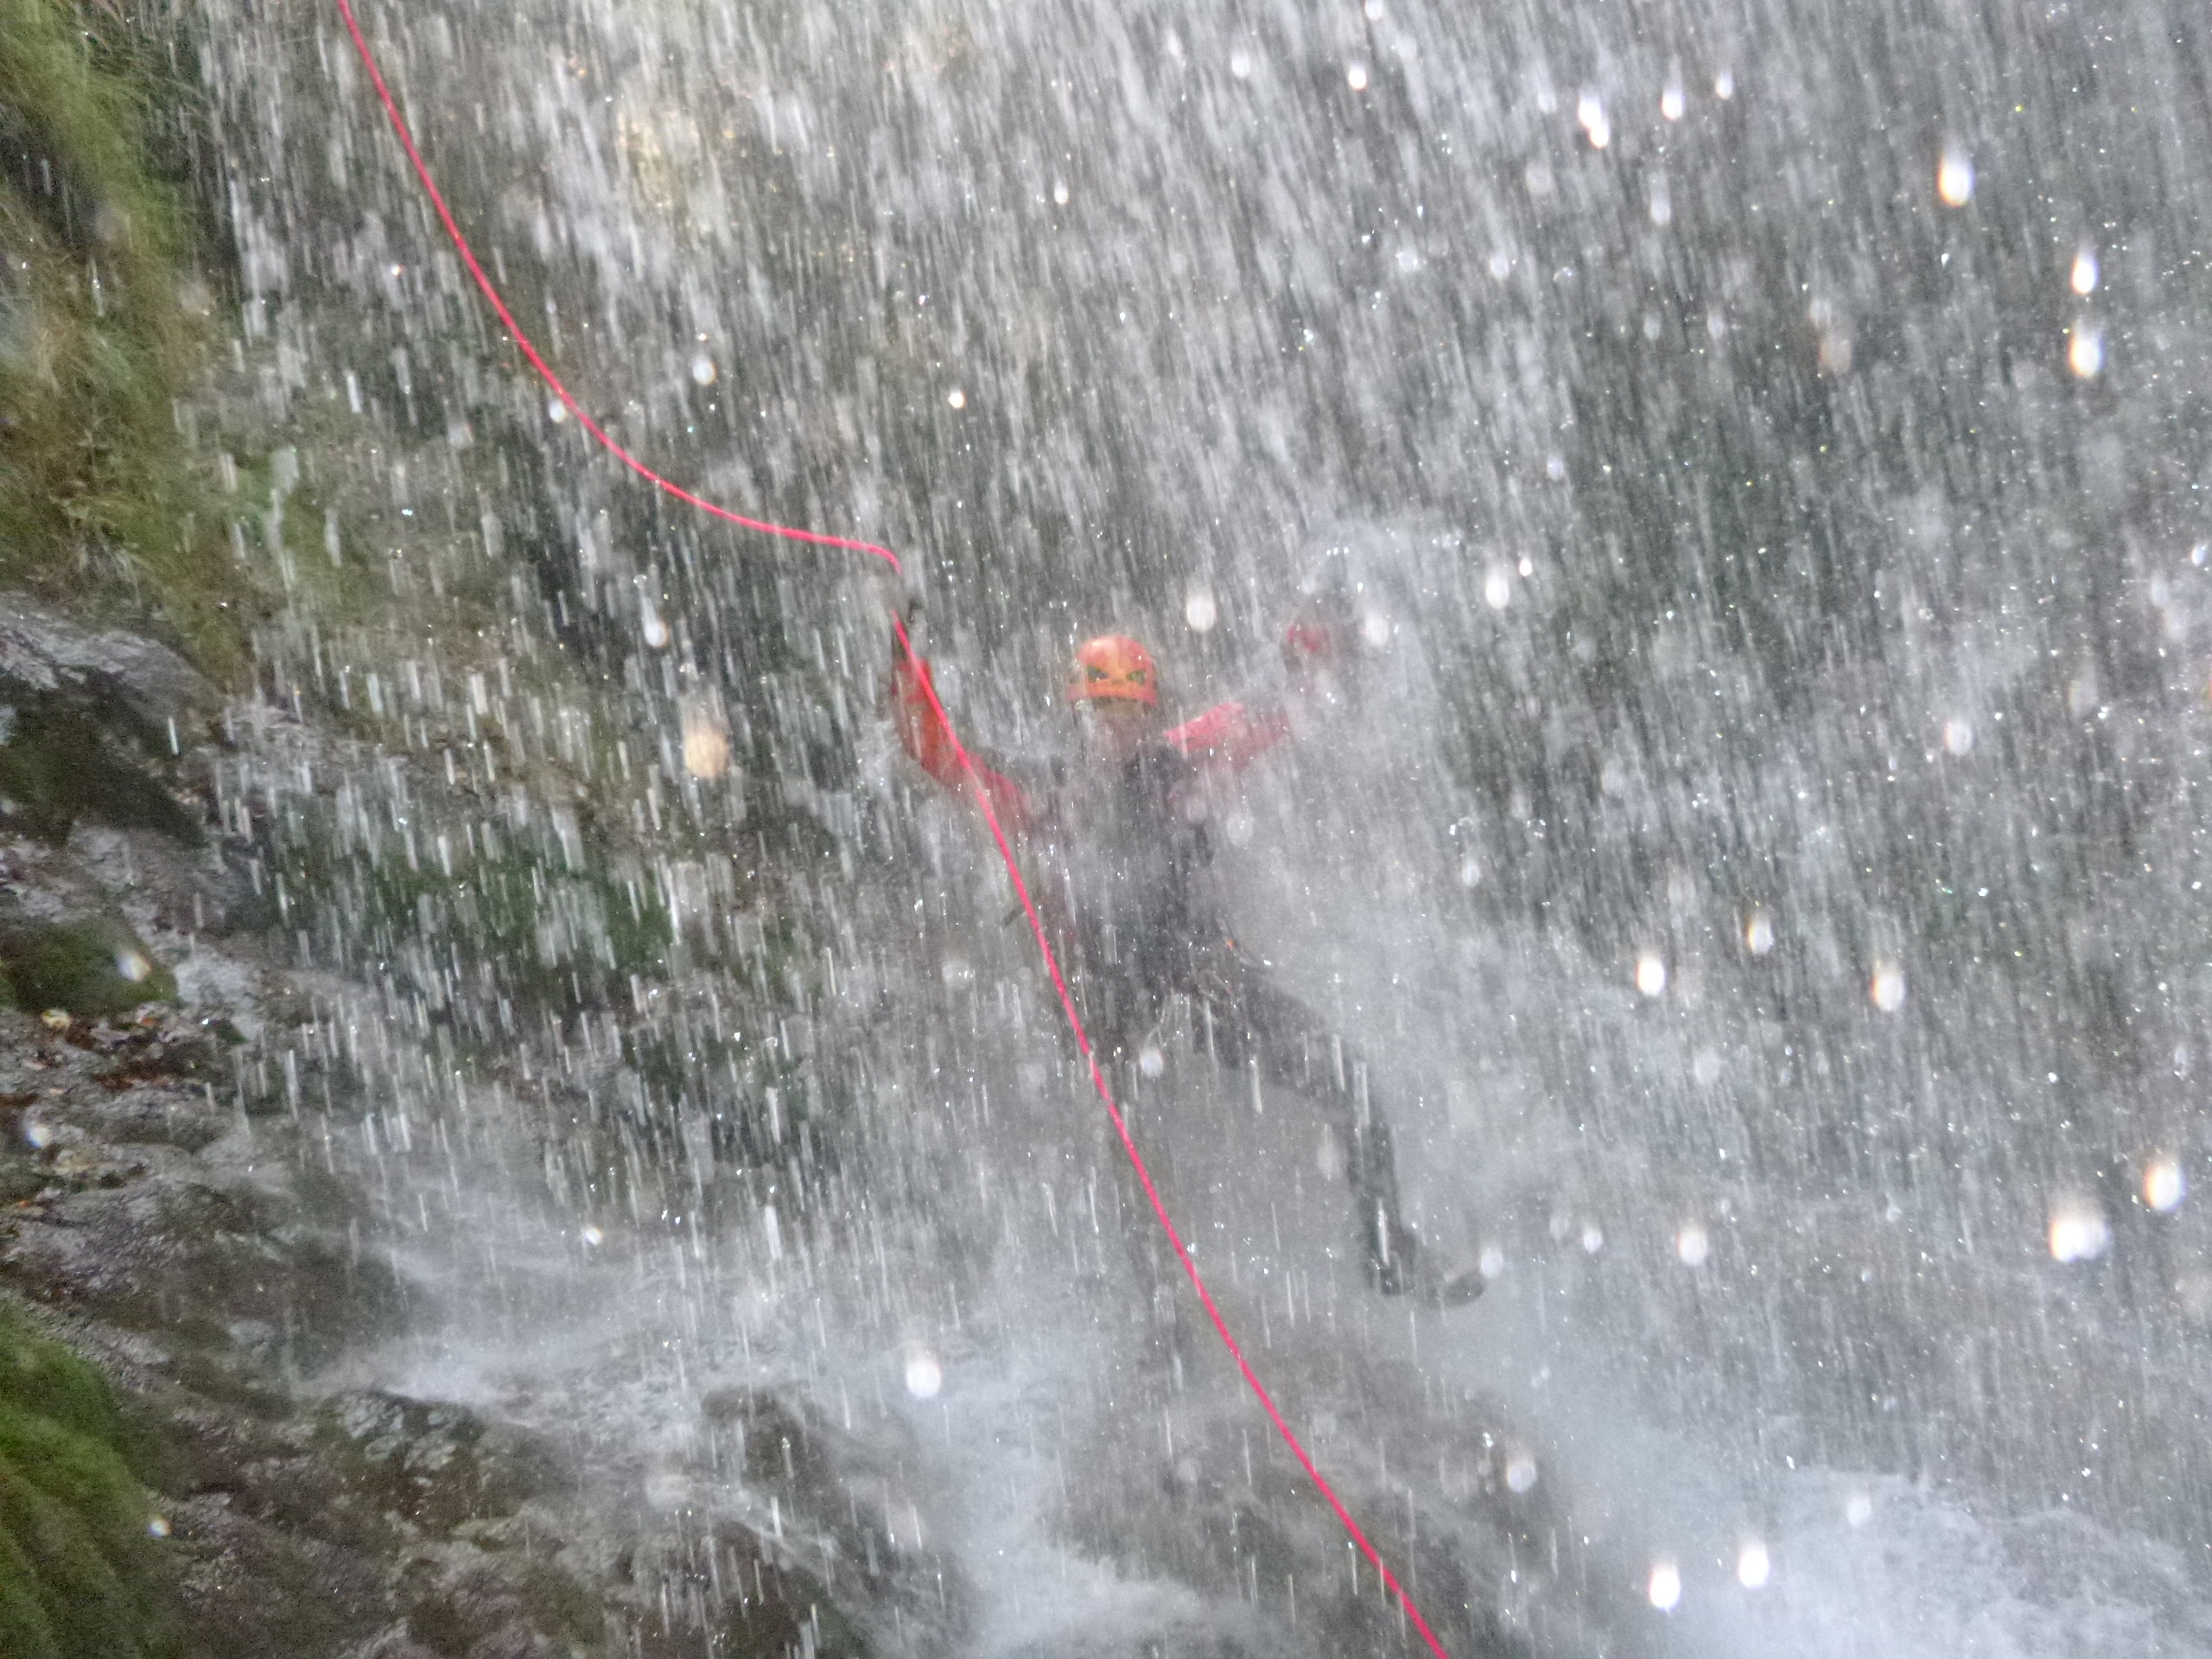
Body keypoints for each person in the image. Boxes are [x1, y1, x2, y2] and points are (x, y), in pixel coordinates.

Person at [889, 601, 1478, 1306]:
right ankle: (1158, 1316)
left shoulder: (1183, 767)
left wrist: (1313, 647)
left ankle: (1388, 1251)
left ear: (1150, 718)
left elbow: (1265, 715)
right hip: (1110, 997)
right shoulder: (1048, 795)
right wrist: (907, 664)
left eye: (1129, 715)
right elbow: (940, 755)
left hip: (1197, 974)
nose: (1116, 731)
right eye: (1102, 715)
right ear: (1078, 716)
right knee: (1131, 1156)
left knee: (1349, 1078)